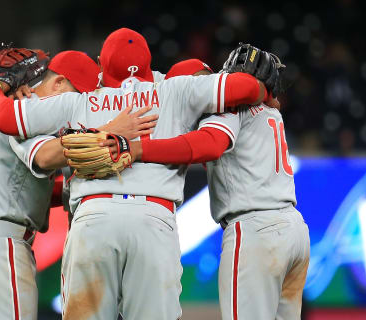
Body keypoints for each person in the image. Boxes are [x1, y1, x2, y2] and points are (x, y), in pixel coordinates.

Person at [0, 28, 275, 319]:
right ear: (150, 64)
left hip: (93, 220)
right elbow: (247, 89)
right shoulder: (176, 89)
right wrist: (265, 90)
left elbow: (4, 117)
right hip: (154, 221)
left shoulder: (81, 100)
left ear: (101, 66)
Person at [0, 50, 156, 320]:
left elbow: (25, 188)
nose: (81, 108)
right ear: (58, 83)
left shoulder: (17, 108)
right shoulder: (29, 110)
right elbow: (45, 156)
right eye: (79, 95)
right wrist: (107, 130)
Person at [107, 57, 310, 320]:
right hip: (293, 230)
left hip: (256, 229)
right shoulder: (269, 109)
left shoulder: (229, 106)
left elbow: (211, 143)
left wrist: (139, 149)